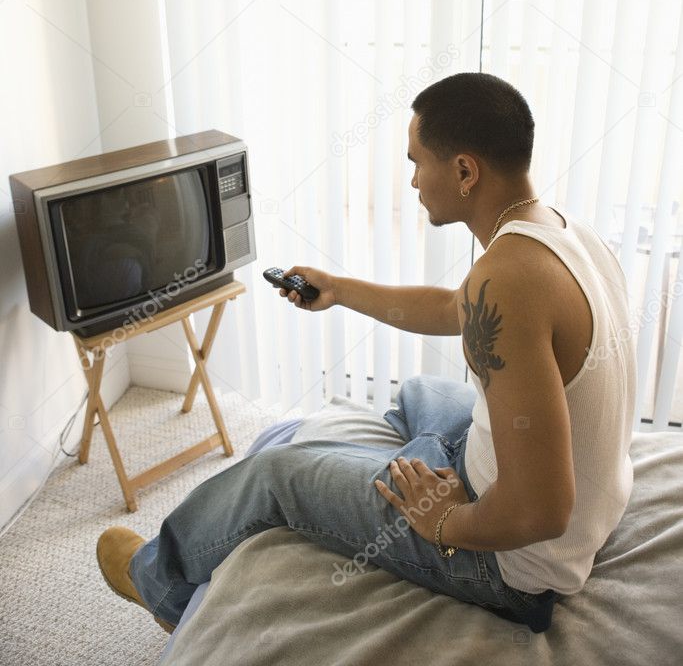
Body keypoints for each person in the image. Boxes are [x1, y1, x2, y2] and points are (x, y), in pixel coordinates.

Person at [96, 72, 636, 637]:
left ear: (465, 170)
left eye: (417, 162)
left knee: (276, 472)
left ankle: (154, 580)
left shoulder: (506, 278)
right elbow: (459, 308)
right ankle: (427, 460)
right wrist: (338, 289)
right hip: (584, 515)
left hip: (516, 562)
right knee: (420, 393)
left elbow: (542, 510)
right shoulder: (564, 233)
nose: (412, 181)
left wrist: (447, 519)